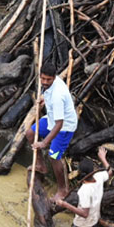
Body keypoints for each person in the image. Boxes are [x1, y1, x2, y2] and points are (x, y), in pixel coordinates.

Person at [52, 146, 110, 227]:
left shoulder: (84, 191)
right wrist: (103, 158)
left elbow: (84, 213)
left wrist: (64, 204)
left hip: (81, 224)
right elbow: (110, 172)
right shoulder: (99, 176)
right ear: (92, 170)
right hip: (94, 220)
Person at [30, 62, 78, 199]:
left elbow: (59, 124)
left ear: (54, 77)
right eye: (43, 79)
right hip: (52, 118)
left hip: (64, 127)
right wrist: (45, 99)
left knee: (54, 156)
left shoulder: (58, 95)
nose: (44, 82)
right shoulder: (51, 85)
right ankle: (40, 165)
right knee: (30, 133)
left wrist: (44, 143)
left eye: (48, 80)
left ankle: (63, 189)